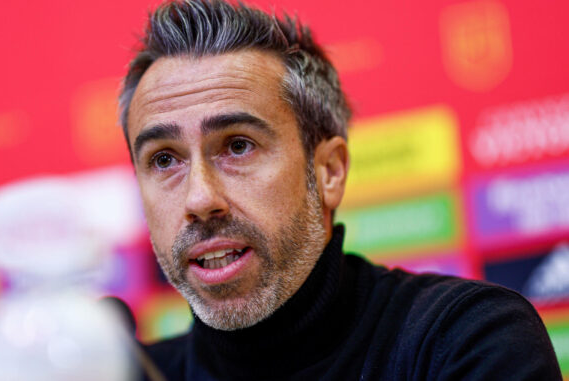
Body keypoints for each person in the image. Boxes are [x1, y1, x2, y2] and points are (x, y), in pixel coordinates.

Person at [118, 0, 562, 379]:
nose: (199, 198)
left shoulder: (465, 339)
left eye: (237, 146)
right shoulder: (129, 372)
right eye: (164, 160)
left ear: (328, 171)